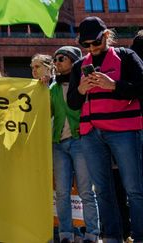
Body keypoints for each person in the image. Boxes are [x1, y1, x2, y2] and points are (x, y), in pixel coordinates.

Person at [67, 16, 143, 243]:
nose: (91, 48)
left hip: (125, 129)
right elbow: (72, 103)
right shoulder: (80, 65)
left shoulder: (126, 56)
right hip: (91, 133)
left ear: (107, 36)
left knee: (134, 188)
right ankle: (112, 237)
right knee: (102, 190)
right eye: (86, 45)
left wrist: (114, 86)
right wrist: (80, 89)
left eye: (96, 42)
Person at [50, 46, 99, 243]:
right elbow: (46, 112)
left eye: (61, 58)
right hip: (58, 144)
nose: (57, 62)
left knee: (86, 191)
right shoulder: (52, 88)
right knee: (61, 192)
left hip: (81, 141)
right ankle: (65, 234)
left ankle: (92, 234)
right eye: (55, 59)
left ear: (73, 61)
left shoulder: (83, 83)